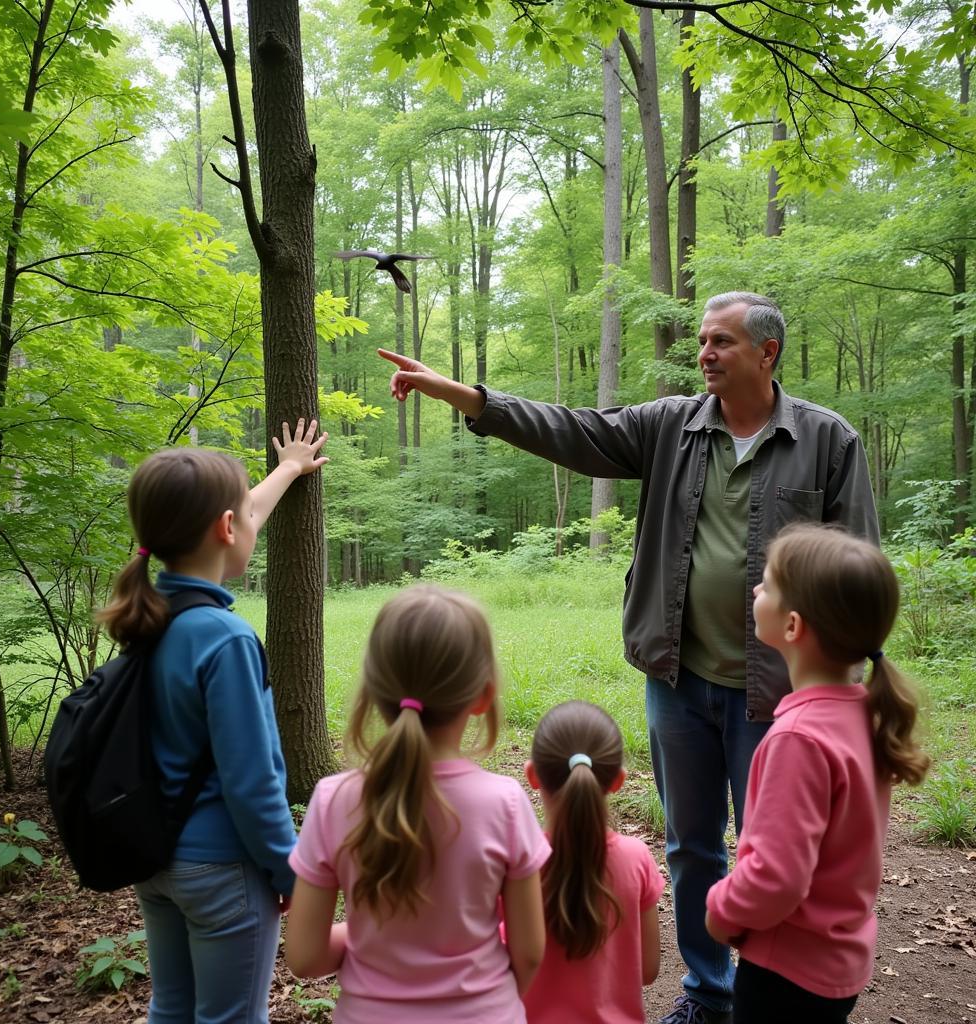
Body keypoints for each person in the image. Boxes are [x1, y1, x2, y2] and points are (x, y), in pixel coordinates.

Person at [378, 292, 880, 1024]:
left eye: (723, 342)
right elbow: (571, 431)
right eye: (703, 340)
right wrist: (462, 393)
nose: (705, 352)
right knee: (690, 845)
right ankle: (709, 995)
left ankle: (768, 993)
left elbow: (857, 564)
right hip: (677, 678)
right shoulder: (672, 425)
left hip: (773, 694)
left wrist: (847, 683)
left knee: (773, 851)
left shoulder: (828, 441)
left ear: (767, 354)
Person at [99, 419, 329, 1024]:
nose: (252, 520)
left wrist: (288, 468)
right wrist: (291, 870)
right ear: (228, 528)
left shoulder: (150, 618)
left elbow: (233, 515)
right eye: (244, 516)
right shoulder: (224, 638)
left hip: (158, 863)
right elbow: (252, 782)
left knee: (170, 1008)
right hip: (224, 871)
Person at [284, 584, 550, 1023]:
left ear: (373, 690)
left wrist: (370, 938)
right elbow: (530, 952)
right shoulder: (506, 802)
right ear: (482, 697)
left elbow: (306, 957)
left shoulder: (334, 800)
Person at [705, 523, 929, 1024]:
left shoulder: (797, 739)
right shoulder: (859, 713)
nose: (757, 589)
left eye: (766, 583)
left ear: (792, 627)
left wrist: (721, 909)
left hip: (786, 971)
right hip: (837, 962)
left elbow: (777, 878)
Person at [523, 700, 664, 1024]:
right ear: (617, 780)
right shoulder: (637, 858)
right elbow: (648, 969)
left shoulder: (521, 864)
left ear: (533, 775)